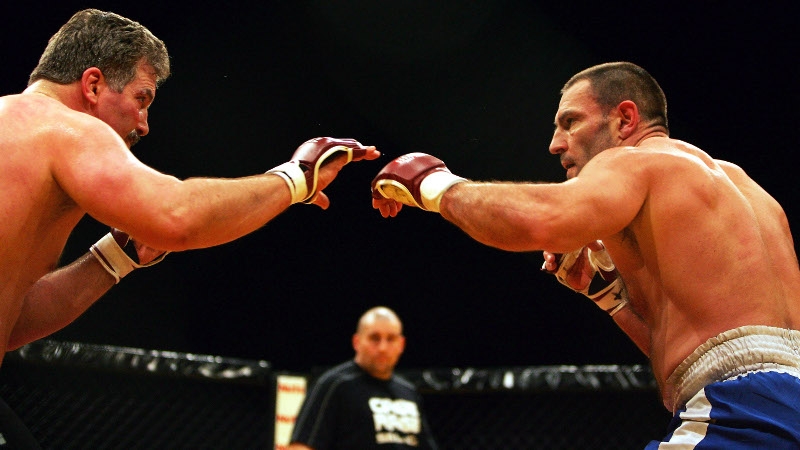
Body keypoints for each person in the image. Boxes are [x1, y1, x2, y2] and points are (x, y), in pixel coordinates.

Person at [0, 9, 379, 447]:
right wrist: (296, 178)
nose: (143, 124)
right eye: (142, 99)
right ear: (93, 84)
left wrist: (116, 257)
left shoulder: (19, 132)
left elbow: (13, 323)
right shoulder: (64, 129)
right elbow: (176, 218)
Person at [371, 62, 800, 448]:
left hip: (740, 411)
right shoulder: (753, 195)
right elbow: (690, 357)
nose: (556, 144)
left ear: (625, 118)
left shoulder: (635, 163)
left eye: (570, 122)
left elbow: (540, 221)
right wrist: (611, 298)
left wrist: (435, 186)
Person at [288, 306, 438, 450]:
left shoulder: (408, 392)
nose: (382, 348)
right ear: (357, 342)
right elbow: (301, 446)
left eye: (391, 339)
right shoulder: (335, 384)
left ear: (401, 344)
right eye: (374, 338)